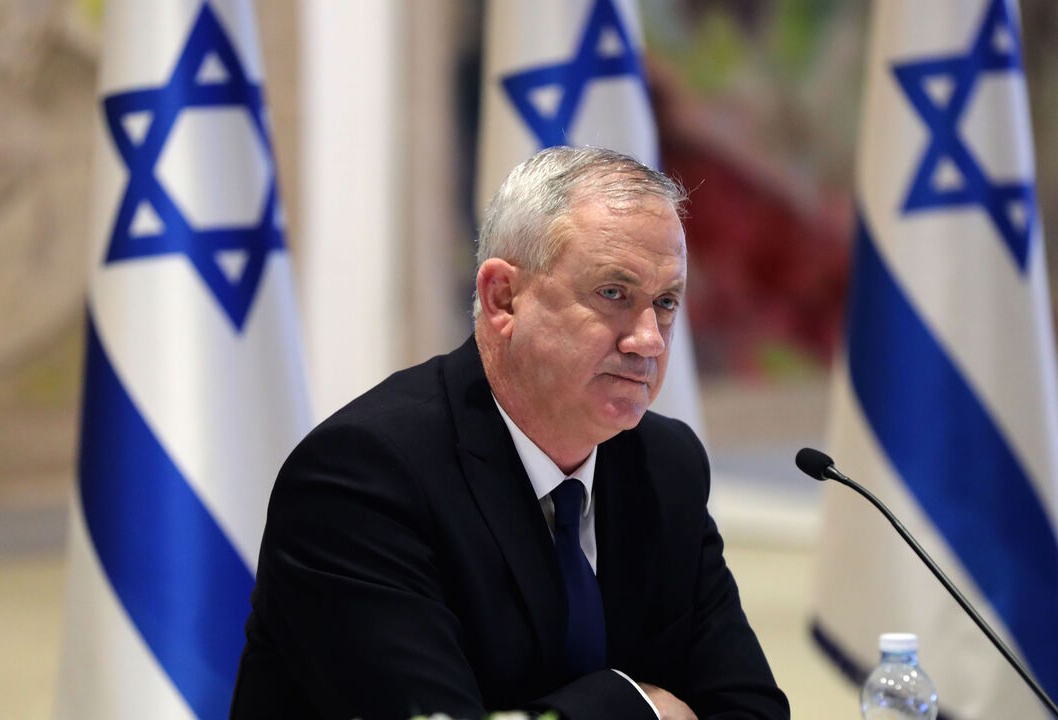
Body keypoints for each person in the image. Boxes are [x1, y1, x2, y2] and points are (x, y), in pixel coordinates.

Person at [230, 147, 789, 719]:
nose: (648, 339)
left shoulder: (664, 464)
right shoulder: (361, 479)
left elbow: (750, 710)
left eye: (666, 302)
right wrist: (638, 704)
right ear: (503, 299)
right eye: (614, 294)